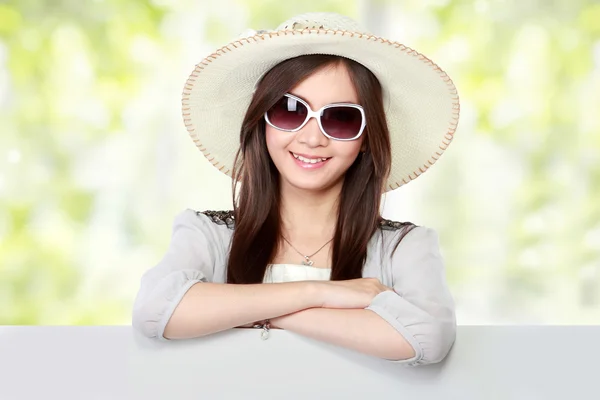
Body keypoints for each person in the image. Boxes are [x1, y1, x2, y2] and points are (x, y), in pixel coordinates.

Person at [132, 12, 460, 367]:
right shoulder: (207, 233)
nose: (312, 138)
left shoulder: (404, 247)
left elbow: (428, 337)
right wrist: (320, 293)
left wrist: (249, 313)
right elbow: (155, 312)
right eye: (291, 111)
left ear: (366, 139)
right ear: (262, 123)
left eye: (341, 118)